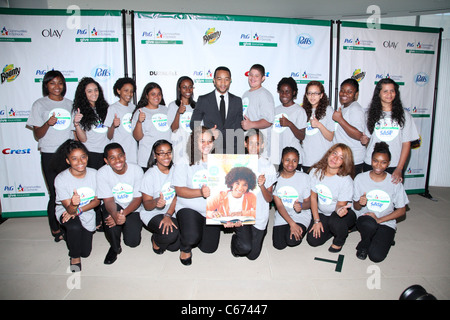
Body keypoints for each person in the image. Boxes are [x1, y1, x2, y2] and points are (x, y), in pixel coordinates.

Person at [26, 70, 74, 242]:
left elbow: (74, 132)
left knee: (70, 192)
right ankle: (55, 228)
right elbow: (38, 134)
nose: (57, 86)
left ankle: (71, 225)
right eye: (52, 83)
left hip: (68, 155)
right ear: (46, 85)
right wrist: (48, 123)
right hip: (49, 154)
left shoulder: (70, 104)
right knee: (55, 194)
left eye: (60, 83)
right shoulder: (40, 104)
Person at [173, 126, 221, 265]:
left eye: (209, 141)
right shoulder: (183, 160)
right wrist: (200, 192)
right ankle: (185, 247)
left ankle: (195, 229)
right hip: (189, 207)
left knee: (209, 248)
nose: (206, 145)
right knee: (191, 237)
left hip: (211, 210)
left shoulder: (219, 161)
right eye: (202, 141)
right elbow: (179, 190)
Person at [353, 142, 408, 262]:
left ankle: (384, 236)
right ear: (371, 160)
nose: (378, 165)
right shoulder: (360, 178)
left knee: (376, 257)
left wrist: (380, 220)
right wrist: (360, 202)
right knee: (369, 224)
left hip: (385, 221)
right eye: (375, 161)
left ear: (389, 163)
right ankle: (364, 245)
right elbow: (356, 207)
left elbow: (402, 210)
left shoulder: (394, 181)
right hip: (366, 219)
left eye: (383, 162)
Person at [361, 78, 419, 184]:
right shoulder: (369, 114)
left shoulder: (405, 115)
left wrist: (399, 168)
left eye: (392, 91)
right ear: (378, 93)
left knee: (392, 199)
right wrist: (364, 141)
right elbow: (368, 142)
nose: (389, 94)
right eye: (385, 91)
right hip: (371, 163)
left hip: (394, 165)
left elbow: (406, 144)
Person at [53, 139, 99, 272]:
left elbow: (96, 201)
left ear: (87, 157)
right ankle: (74, 257)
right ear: (68, 161)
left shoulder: (95, 174)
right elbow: (69, 210)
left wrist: (78, 209)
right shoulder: (61, 179)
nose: (80, 162)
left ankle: (67, 235)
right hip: (66, 211)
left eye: (83, 157)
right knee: (74, 226)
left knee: (86, 252)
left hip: (86, 210)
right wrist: (73, 205)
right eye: (74, 159)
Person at [96, 143, 144, 264]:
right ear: (106, 161)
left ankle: (123, 225)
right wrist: (114, 215)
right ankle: (114, 247)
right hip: (114, 205)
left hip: (132, 207)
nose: (117, 160)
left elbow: (138, 199)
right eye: (112, 158)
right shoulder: (102, 173)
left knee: (133, 242)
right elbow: (108, 200)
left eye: (120, 155)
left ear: (125, 156)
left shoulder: (136, 170)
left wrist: (123, 215)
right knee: (109, 216)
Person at [307, 143, 355, 253]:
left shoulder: (345, 180)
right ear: (329, 153)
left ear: (344, 162)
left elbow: (340, 205)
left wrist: (339, 210)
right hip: (323, 213)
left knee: (335, 221)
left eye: (341, 158)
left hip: (339, 214)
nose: (335, 158)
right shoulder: (315, 172)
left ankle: (339, 239)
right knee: (313, 241)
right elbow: (313, 198)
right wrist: (317, 220)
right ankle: (335, 228)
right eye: (334, 154)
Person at [240, 129, 277, 260]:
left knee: (252, 255)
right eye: (250, 143)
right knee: (243, 248)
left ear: (262, 145)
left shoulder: (269, 166)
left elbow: (269, 199)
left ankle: (259, 232)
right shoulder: (237, 162)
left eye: (257, 144)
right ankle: (236, 241)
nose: (254, 147)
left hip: (259, 215)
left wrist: (262, 186)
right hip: (241, 214)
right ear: (245, 144)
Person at [189, 66, 243, 154]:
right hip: (210, 149)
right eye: (219, 79)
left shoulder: (237, 101)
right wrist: (208, 132)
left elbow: (238, 129)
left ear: (230, 81)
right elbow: (193, 124)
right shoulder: (204, 100)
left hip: (232, 150)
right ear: (214, 80)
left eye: (226, 79)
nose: (223, 83)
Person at [140, 140, 179, 255]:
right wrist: (156, 201)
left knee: (175, 247)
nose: (166, 156)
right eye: (161, 153)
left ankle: (159, 236)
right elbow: (146, 205)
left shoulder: (176, 170)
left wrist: (168, 214)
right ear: (155, 155)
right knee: (171, 234)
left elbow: (177, 196)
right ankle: (156, 241)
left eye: (169, 152)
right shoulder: (149, 175)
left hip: (171, 210)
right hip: (153, 212)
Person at [272, 147, 311, 250]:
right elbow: (279, 206)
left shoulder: (304, 178)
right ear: (282, 160)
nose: (290, 163)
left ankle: (305, 226)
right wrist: (292, 224)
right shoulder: (275, 179)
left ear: (298, 162)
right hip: (283, 214)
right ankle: (291, 226)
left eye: (294, 161)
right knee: (279, 245)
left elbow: (309, 203)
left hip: (301, 215)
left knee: (292, 240)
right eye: (287, 160)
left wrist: (301, 205)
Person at [72, 77, 110, 170]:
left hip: (107, 153)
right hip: (91, 153)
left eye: (96, 90)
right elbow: (83, 139)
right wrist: (76, 124)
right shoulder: (79, 111)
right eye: (89, 91)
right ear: (83, 94)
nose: (94, 93)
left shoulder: (106, 108)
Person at [132, 82, 171, 171]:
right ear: (146, 96)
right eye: (153, 94)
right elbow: (137, 137)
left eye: (159, 94)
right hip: (147, 159)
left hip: (166, 159)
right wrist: (139, 121)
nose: (156, 97)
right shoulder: (140, 112)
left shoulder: (166, 110)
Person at [333, 78, 366, 174]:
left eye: (349, 92)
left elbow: (359, 135)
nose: (344, 94)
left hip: (353, 159)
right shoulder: (344, 108)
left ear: (356, 94)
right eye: (342, 90)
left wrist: (340, 119)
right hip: (343, 157)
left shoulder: (356, 109)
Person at [241, 64, 275, 157]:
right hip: (248, 146)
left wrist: (251, 124)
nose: (253, 78)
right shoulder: (245, 94)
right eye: (251, 75)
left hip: (260, 148)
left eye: (257, 76)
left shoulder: (264, 94)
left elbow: (269, 121)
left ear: (263, 78)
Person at [301, 81, 335, 173]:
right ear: (306, 95)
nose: (312, 96)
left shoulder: (328, 110)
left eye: (316, 93)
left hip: (322, 160)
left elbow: (330, 137)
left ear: (321, 95)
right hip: (307, 160)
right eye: (309, 93)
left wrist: (319, 125)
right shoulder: (302, 111)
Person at [271, 77, 307, 165]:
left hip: (292, 158)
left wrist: (289, 124)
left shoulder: (299, 111)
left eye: (287, 91)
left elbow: (302, 136)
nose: (284, 94)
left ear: (294, 92)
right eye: (281, 91)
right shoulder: (275, 110)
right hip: (277, 157)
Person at [105, 77, 138, 164]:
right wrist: (113, 125)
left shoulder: (134, 108)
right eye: (126, 90)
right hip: (119, 152)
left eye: (131, 91)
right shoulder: (113, 108)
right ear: (119, 91)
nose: (129, 94)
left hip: (133, 151)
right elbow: (109, 136)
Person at [167, 76, 196, 164]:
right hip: (178, 148)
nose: (188, 90)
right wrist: (178, 113)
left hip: (193, 148)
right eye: (184, 87)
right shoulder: (173, 106)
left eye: (190, 87)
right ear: (179, 89)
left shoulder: (197, 106)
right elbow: (174, 129)